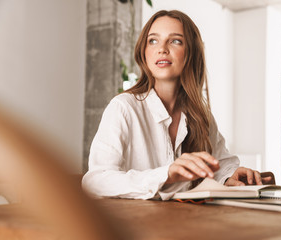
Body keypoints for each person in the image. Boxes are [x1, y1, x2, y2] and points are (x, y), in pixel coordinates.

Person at [82, 10, 271, 200]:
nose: (162, 48)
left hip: (187, 224)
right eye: (153, 40)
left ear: (191, 52)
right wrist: (166, 174)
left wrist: (230, 176)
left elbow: (220, 163)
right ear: (144, 52)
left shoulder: (201, 116)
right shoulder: (123, 107)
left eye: (175, 41)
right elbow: (96, 180)